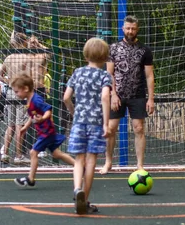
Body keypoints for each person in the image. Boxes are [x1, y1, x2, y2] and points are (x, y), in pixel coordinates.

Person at [63, 38, 112, 214]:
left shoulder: (77, 73)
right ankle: (86, 199)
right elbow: (105, 98)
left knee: (78, 160)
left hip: (79, 122)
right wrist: (106, 123)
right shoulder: (104, 76)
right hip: (96, 124)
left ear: (85, 54)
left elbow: (66, 97)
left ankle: (77, 189)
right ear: (105, 57)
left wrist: (73, 112)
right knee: (91, 161)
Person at [101, 15, 155, 175]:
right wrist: (113, 94)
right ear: (123, 29)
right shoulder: (113, 48)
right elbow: (109, 73)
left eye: (133, 28)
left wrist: (151, 98)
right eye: (128, 28)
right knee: (110, 129)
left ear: (137, 29)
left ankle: (139, 165)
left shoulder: (145, 50)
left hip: (138, 95)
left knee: (139, 128)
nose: (130, 31)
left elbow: (149, 75)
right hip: (117, 95)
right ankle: (108, 162)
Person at [11, 73, 76, 188]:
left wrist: (43, 118)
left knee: (33, 152)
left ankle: (31, 179)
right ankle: (79, 166)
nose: (16, 94)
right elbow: (33, 116)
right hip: (44, 131)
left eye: (17, 92)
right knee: (56, 154)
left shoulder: (36, 100)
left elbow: (48, 110)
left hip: (47, 132)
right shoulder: (29, 100)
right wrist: (26, 126)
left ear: (26, 89)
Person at [0, 32, 31, 164]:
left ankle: (5, 154)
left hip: (10, 91)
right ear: (23, 42)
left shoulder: (9, 58)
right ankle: (18, 155)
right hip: (21, 92)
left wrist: (9, 81)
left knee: (10, 125)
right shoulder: (26, 58)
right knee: (19, 125)